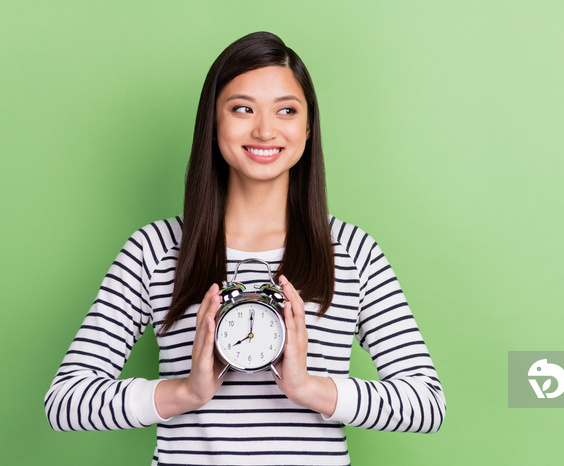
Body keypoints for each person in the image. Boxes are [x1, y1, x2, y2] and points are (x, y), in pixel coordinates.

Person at [45, 31, 446, 465]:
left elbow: (425, 403)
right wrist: (185, 392)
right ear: (213, 122)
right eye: (242, 108)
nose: (265, 129)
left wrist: (308, 387)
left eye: (286, 111)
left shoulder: (351, 252)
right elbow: (66, 400)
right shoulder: (155, 250)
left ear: (308, 128)